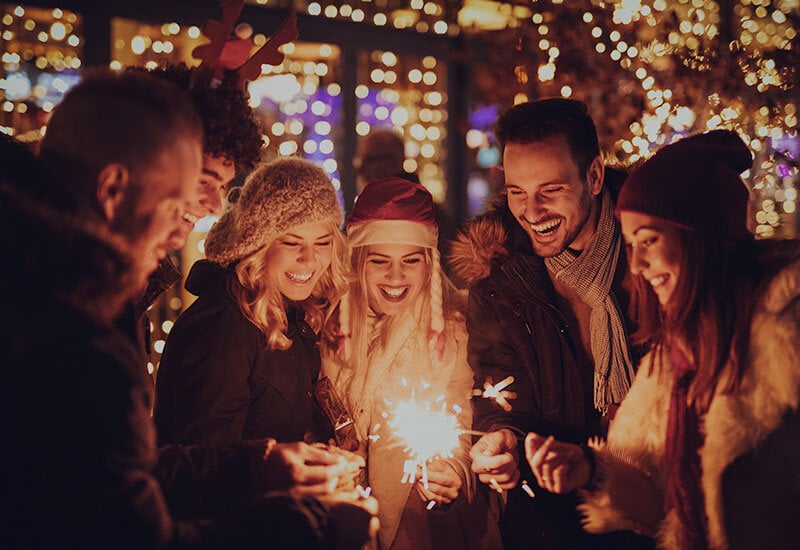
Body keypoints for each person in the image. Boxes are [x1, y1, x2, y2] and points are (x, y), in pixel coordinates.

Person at [0, 97, 375, 547]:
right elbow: (128, 528)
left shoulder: (87, 303)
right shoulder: (59, 325)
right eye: (183, 195)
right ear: (113, 187)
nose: (196, 220)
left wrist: (264, 465)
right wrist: (311, 525)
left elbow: (123, 468)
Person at [525, 129, 800, 549]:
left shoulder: (785, 335)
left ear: (698, 237)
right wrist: (590, 469)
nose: (636, 263)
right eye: (632, 243)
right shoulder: (673, 356)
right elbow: (663, 502)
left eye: (649, 240)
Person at [448, 98, 646, 548]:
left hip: (648, 519)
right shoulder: (500, 276)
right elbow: (498, 384)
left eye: (550, 190)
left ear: (594, 176)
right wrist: (502, 438)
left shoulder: (652, 257)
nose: (531, 212)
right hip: (547, 526)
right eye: (517, 192)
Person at [323, 177, 502, 549]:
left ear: (428, 264)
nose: (395, 276)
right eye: (380, 261)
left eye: (410, 261)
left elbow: (467, 421)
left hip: (425, 528)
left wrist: (453, 470)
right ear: (358, 263)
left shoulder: (452, 333)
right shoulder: (326, 330)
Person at [154, 157, 348, 449]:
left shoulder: (293, 315)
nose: (310, 259)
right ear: (257, 244)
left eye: (322, 242)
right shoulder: (223, 329)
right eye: (291, 242)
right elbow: (202, 465)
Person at [125, 62, 263, 359]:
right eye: (204, 180)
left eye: (223, 187)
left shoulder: (134, 277)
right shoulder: (56, 278)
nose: (214, 205)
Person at [356, 128, 457, 252]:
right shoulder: (426, 210)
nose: (361, 168)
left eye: (369, 159)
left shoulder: (421, 213)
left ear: (393, 161)